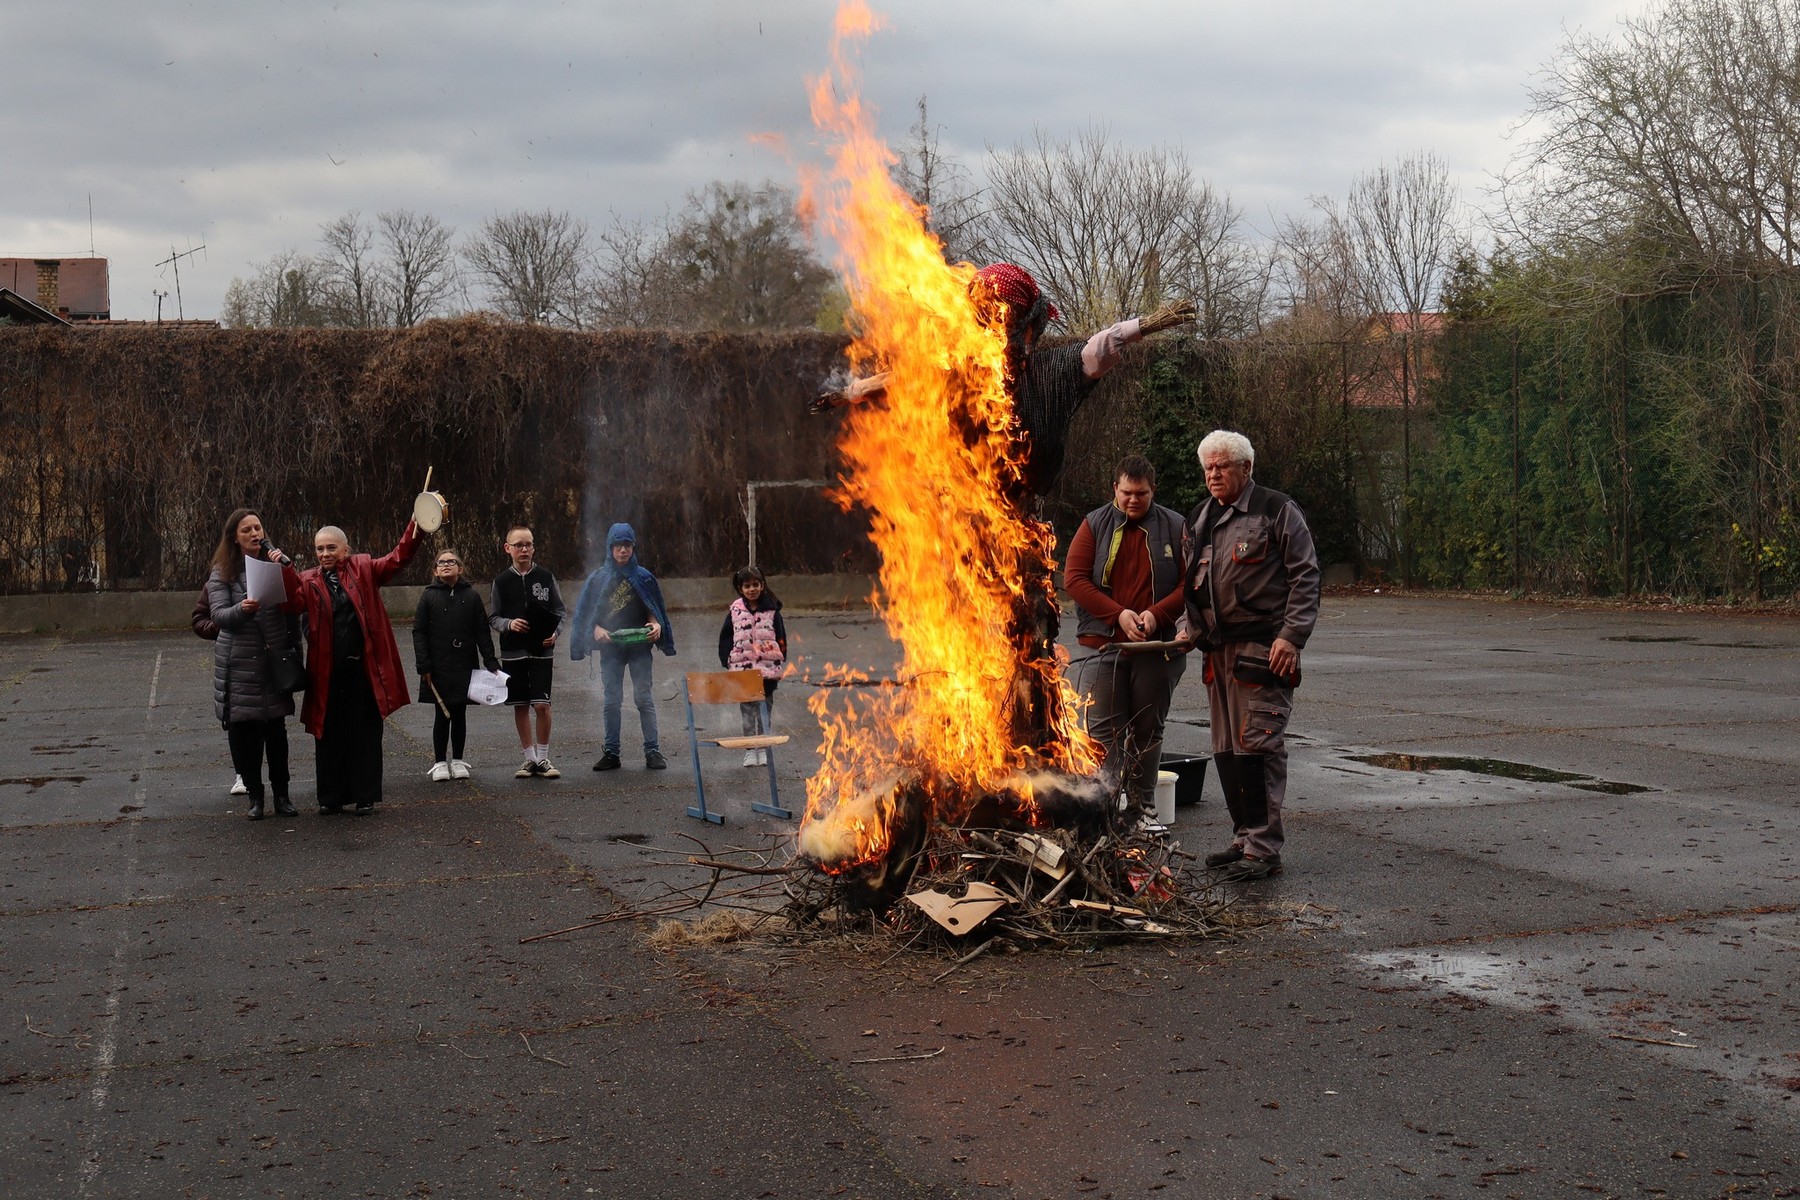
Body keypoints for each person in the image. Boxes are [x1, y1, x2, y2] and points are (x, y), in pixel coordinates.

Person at [812, 264, 1194, 755]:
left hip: (1020, 528)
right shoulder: (965, 375)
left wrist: (1144, 325)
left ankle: (1029, 739)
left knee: (1029, 638)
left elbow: (1102, 348)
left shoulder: (1050, 375)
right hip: (970, 523)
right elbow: (907, 378)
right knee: (975, 635)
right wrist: (851, 392)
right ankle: (979, 739)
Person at [1182, 430, 1320, 881]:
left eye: (1222, 466)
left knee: (1258, 747)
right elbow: (1193, 586)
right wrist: (1189, 626)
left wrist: (1291, 637)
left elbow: (1305, 576)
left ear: (1247, 468)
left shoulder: (1277, 510)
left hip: (1264, 649)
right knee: (1227, 751)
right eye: (1208, 468)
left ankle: (1263, 848)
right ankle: (1244, 838)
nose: (1214, 475)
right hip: (1217, 654)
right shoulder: (1201, 518)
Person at [1062, 456, 1188, 825]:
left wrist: (1155, 614)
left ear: (1153, 490)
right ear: (1114, 489)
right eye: (1127, 493)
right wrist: (1117, 614)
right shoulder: (1094, 524)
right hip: (1102, 644)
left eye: (1142, 494)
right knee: (1102, 729)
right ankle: (1108, 803)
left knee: (1149, 729)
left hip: (1155, 647)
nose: (1134, 500)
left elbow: (1189, 583)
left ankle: (1143, 808)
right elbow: (1075, 579)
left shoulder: (1175, 526)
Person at [280, 520, 422, 814]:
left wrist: (416, 526)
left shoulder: (364, 568)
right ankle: (330, 798)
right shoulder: (308, 579)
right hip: (326, 673)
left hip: (363, 670)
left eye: (331, 547)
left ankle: (365, 795)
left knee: (366, 733)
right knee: (328, 735)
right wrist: (283, 568)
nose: (325, 553)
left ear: (346, 548)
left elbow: (398, 558)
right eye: (319, 549)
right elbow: (291, 605)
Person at [204, 509, 300, 821]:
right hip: (240, 662)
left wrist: (294, 648)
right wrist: (242, 608)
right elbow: (218, 616)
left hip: (272, 659)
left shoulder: (274, 563)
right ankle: (255, 798)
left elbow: (293, 607)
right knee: (247, 736)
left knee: (276, 733)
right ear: (234, 536)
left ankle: (282, 797)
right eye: (247, 530)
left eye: (258, 527)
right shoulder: (222, 572)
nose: (254, 533)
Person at [570, 523, 675, 771]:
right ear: (610, 548)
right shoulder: (598, 579)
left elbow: (653, 609)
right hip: (611, 648)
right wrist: (595, 630)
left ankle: (653, 751)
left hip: (639, 646)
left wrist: (656, 625)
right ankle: (612, 753)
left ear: (633, 547)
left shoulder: (644, 577)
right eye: (618, 545)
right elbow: (586, 613)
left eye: (627, 545)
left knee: (643, 698)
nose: (622, 550)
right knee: (612, 700)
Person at [414, 547, 500, 782]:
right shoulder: (428, 596)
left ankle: (459, 760)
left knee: (459, 712)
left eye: (451, 562)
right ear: (435, 569)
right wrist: (423, 664)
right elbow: (419, 632)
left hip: (464, 663)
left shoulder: (471, 597)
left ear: (460, 568)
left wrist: (490, 661)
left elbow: (482, 631)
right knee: (441, 714)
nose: (446, 565)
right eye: (441, 563)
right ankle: (440, 762)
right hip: (437, 665)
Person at [489, 526, 566, 779]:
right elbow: (494, 617)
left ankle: (543, 758)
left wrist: (555, 634)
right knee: (520, 705)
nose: (524, 549)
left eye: (528, 544)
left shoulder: (545, 576)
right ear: (507, 548)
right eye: (518, 544)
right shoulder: (501, 581)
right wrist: (509, 624)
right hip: (513, 653)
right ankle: (529, 759)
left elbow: (560, 612)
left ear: (534, 547)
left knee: (542, 705)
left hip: (542, 651)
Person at [716, 566, 787, 767]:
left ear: (762, 585)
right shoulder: (735, 611)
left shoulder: (772, 610)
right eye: (747, 586)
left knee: (765, 712)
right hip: (743, 672)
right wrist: (728, 660)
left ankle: (763, 748)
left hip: (767, 671)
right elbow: (725, 638)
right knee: (747, 713)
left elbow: (781, 636)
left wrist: (779, 659)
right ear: (740, 589)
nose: (752, 589)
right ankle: (749, 750)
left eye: (756, 584)